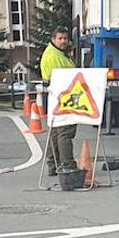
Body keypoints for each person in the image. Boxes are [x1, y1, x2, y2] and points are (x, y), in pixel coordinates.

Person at [40, 27, 77, 177]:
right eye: (60, 38)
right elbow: (65, 79)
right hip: (61, 97)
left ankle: (53, 164)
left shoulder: (57, 53)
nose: (63, 41)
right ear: (53, 39)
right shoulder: (54, 56)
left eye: (65, 39)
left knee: (56, 132)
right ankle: (67, 164)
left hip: (55, 96)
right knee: (65, 132)